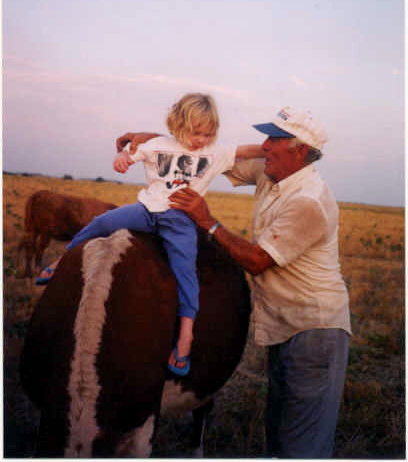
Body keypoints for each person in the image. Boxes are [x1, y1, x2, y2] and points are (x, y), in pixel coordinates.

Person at [117, 106, 351, 457]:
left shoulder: (309, 202)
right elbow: (198, 154)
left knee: (303, 442)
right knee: (282, 427)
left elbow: (257, 261)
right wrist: (147, 140)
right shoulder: (272, 171)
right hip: (287, 323)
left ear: (299, 150)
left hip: (315, 328)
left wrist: (206, 221)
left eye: (275, 138)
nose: (265, 145)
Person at [36, 93, 263, 376]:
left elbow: (246, 150)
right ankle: (61, 262)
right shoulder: (157, 145)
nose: (201, 139)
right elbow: (129, 156)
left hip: (179, 220)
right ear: (178, 125)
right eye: (196, 132)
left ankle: (185, 336)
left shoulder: (214, 153)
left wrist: (270, 148)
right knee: (100, 224)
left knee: (186, 272)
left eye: (208, 133)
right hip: (145, 210)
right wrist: (121, 158)